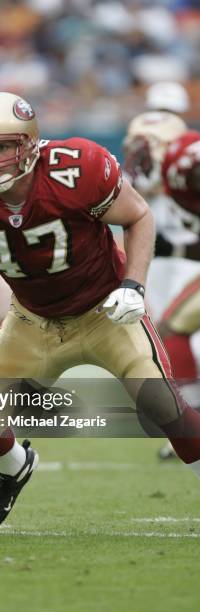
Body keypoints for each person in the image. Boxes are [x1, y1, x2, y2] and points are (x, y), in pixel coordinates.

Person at [0, 91, 200, 532]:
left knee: (162, 405)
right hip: (31, 321)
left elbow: (138, 216)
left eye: (2, 145)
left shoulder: (76, 168)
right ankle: (14, 468)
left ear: (30, 144)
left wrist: (133, 286)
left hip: (104, 314)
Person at [124, 111, 200, 459]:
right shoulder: (173, 178)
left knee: (174, 328)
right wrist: (177, 247)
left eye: (145, 151)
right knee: (174, 326)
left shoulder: (188, 166)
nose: (138, 161)